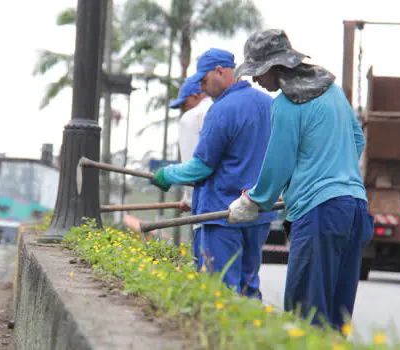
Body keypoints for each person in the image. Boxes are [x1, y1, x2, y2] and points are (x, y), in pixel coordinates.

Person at [228, 29, 374, 328]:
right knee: (336, 311)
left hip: (319, 213)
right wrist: (327, 166)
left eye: (257, 72)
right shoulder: (332, 90)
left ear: (273, 67)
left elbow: (278, 165)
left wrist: (253, 200)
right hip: (354, 208)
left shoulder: (285, 105)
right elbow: (357, 140)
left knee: (305, 312)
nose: (255, 80)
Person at [151, 48, 276, 299]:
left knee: (220, 290)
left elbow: (201, 167)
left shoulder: (221, 110)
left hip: (222, 214)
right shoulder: (269, 104)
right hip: (259, 213)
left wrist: (167, 175)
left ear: (220, 70)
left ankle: (220, 339)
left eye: (204, 80)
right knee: (248, 286)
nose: (202, 88)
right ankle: (251, 335)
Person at [168, 76, 212, 266]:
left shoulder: (192, 117)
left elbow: (192, 165)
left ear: (196, 96)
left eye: (184, 104)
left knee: (208, 274)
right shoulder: (229, 108)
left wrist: (189, 199)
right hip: (240, 207)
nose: (183, 110)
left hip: (206, 210)